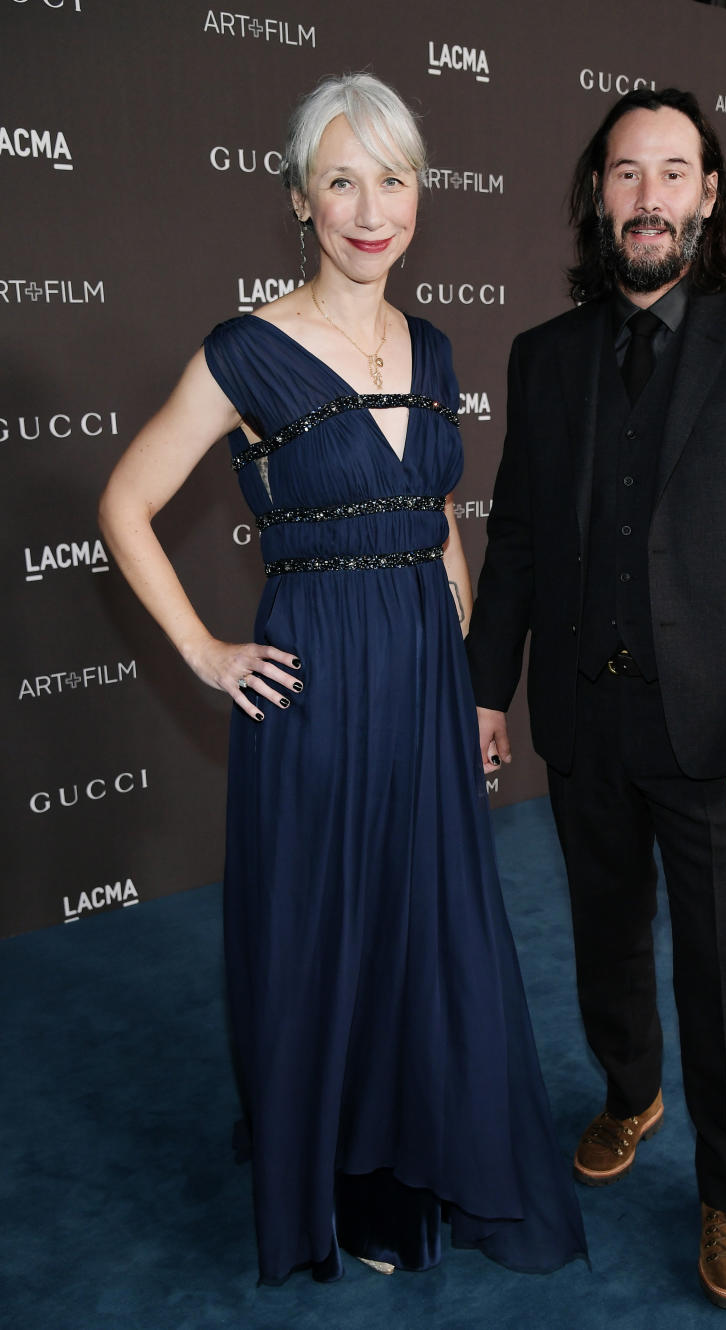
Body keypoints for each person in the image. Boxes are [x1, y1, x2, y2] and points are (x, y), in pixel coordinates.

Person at [99, 72, 585, 1287]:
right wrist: (209, 652)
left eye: (395, 179)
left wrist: (476, 683)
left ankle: (401, 1155)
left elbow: (436, 523)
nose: (373, 208)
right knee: (329, 931)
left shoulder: (431, 343)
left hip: (424, 676)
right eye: (342, 180)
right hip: (315, 689)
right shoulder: (246, 351)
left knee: (422, 928)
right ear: (300, 200)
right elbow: (123, 501)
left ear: (421, 191)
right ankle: (325, 1162)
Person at [466, 87, 726, 1310]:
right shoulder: (544, 356)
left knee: (721, 972)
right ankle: (631, 1093)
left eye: (673, 173)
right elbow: (515, 539)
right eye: (627, 173)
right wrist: (485, 690)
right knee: (606, 936)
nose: (649, 197)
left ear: (710, 196)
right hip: (584, 719)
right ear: (597, 194)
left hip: (720, 727)